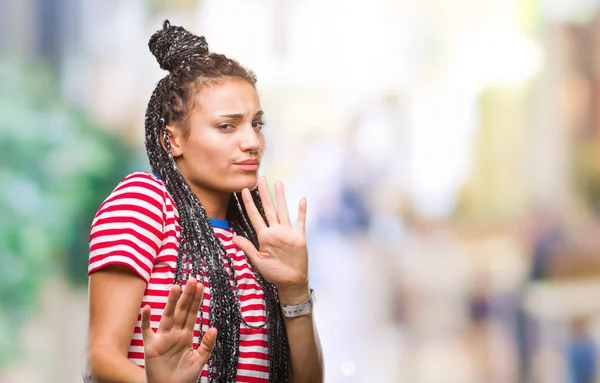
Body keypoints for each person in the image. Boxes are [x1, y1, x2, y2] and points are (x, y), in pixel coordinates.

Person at [83, 20, 323, 383]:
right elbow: (100, 358)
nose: (252, 142)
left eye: (257, 124)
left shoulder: (258, 239)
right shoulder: (145, 202)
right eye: (227, 126)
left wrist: (295, 291)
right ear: (173, 140)